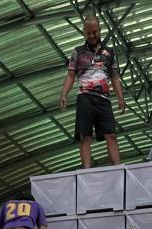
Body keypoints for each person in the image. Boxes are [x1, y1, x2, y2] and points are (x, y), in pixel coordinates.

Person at [59, 16, 125, 168]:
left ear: (100, 30)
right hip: (85, 98)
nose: (92, 35)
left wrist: (120, 97)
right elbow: (70, 75)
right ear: (84, 32)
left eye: (95, 32)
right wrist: (64, 95)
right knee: (85, 136)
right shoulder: (77, 52)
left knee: (111, 135)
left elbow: (115, 77)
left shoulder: (109, 53)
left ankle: (117, 167)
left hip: (104, 99)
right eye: (89, 33)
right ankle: (86, 170)